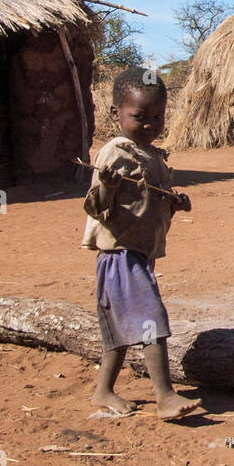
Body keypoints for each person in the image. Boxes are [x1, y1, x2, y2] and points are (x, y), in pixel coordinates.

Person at [82, 67, 202, 421]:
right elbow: (96, 205)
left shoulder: (151, 156)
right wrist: (108, 186)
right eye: (139, 116)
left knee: (120, 328)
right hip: (119, 254)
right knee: (150, 317)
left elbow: (150, 206)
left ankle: (103, 390)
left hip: (138, 254)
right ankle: (165, 396)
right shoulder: (115, 153)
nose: (149, 124)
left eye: (157, 116)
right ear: (115, 113)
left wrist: (174, 203)